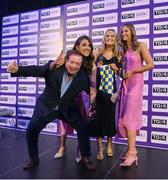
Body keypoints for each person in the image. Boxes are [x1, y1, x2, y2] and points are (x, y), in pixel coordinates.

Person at [7, 50, 95, 170]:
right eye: (72, 62)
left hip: (67, 108)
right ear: (66, 61)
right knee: (32, 129)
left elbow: (93, 92)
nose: (74, 66)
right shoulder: (54, 67)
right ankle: (33, 158)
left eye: (77, 64)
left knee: (83, 126)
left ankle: (86, 157)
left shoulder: (83, 77)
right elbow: (37, 70)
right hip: (46, 106)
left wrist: (109, 97)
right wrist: (18, 70)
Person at [53, 35, 96, 162]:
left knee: (81, 125)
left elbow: (92, 87)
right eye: (84, 45)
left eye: (89, 45)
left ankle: (81, 150)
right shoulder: (68, 58)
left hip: (82, 99)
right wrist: (55, 64)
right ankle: (62, 147)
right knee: (63, 124)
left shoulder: (91, 65)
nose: (87, 47)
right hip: (66, 98)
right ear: (77, 46)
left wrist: (92, 104)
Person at [118, 23, 154, 167]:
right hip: (125, 85)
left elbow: (151, 64)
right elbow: (122, 68)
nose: (123, 33)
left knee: (129, 118)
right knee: (125, 118)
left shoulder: (141, 45)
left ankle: (132, 154)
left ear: (132, 32)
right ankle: (130, 150)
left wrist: (134, 71)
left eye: (126, 31)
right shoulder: (123, 50)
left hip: (136, 85)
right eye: (122, 32)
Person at [93, 29, 121, 160]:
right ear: (104, 38)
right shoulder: (98, 52)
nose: (110, 38)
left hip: (112, 91)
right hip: (98, 91)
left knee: (110, 117)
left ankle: (109, 144)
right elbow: (90, 69)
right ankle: (99, 148)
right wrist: (96, 67)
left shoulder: (118, 54)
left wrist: (117, 69)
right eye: (107, 36)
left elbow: (122, 74)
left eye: (112, 36)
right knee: (98, 118)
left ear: (115, 39)